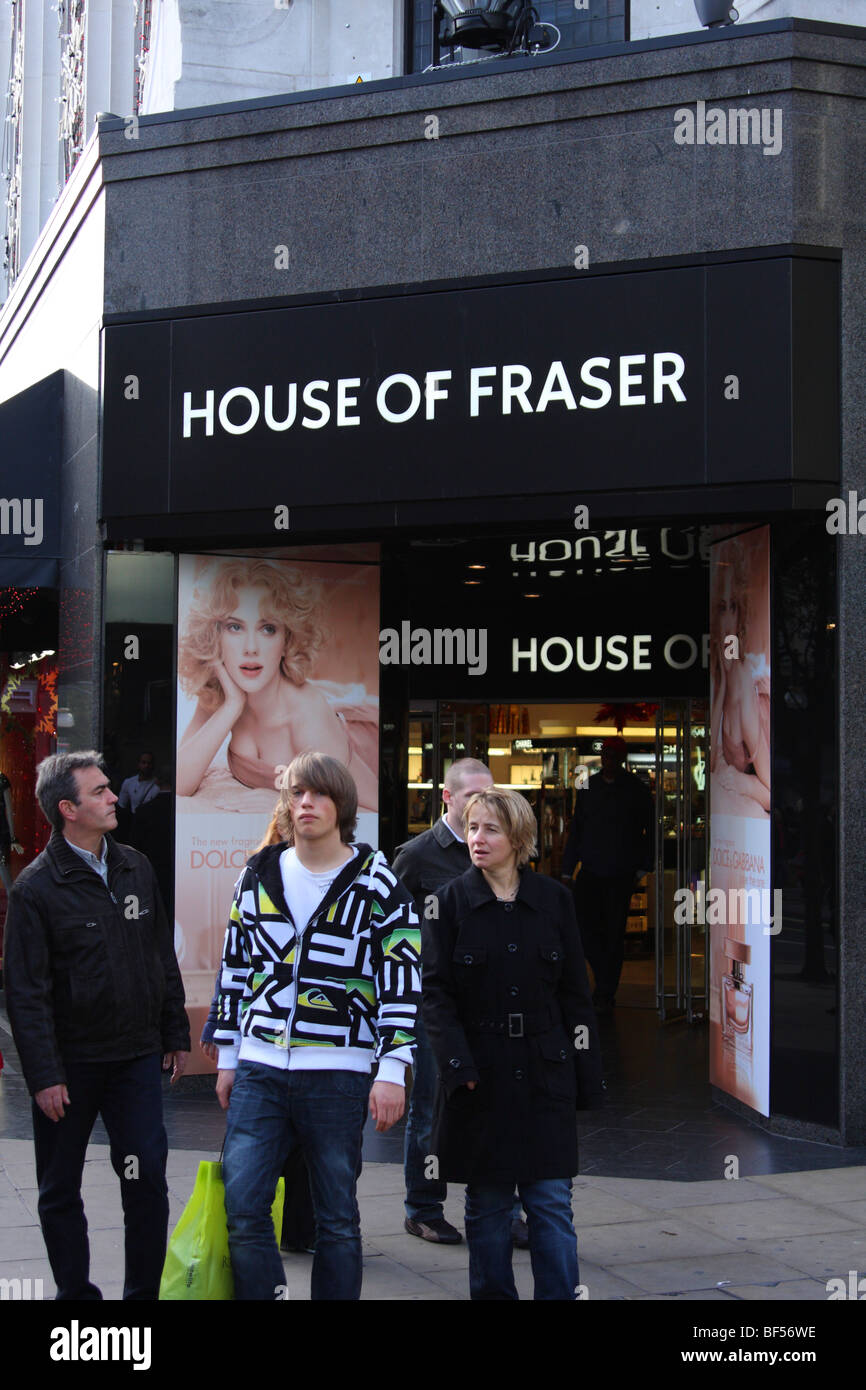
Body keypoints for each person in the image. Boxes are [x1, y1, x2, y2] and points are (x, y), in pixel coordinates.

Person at [213, 751, 420, 1300]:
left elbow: (402, 981)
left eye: (320, 793)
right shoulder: (257, 874)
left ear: (343, 805)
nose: (306, 803)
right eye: (298, 793)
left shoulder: (378, 884)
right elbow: (235, 968)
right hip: (260, 1065)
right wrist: (229, 1057)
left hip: (338, 1071)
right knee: (243, 1205)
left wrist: (393, 1069)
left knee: (336, 1217)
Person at [3, 751, 190, 1300]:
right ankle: (77, 1300)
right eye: (101, 791)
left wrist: (174, 1031)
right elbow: (26, 994)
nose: (114, 797)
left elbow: (160, 954)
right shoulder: (35, 889)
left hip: (135, 1059)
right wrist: (44, 1076)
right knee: (60, 1188)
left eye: (110, 787)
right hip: (71, 1069)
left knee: (144, 1178)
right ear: (68, 809)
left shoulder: (136, 866)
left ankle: (141, 1299)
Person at [422, 787, 603, 1300]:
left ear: (519, 838)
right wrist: (458, 1068)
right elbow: (435, 995)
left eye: (491, 829)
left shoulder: (554, 900)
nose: (477, 838)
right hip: (481, 1079)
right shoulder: (447, 903)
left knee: (551, 1203)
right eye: (472, 827)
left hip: (545, 1075)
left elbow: (575, 993)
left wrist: (586, 1076)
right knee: (488, 1206)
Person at [393, 757, 527, 1248]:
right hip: (433, 1003)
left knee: (497, 1103)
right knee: (431, 1106)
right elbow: (389, 926)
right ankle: (423, 1208)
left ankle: (500, 1209)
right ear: (447, 797)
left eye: (489, 793)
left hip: (491, 1000)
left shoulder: (501, 847)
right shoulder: (416, 856)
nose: (483, 804)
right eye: (472, 795)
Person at [176, 558, 378, 811]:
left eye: (268, 629)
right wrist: (232, 705)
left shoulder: (307, 714)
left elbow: (373, 804)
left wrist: (285, 802)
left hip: (365, 736)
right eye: (235, 627)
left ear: (287, 639)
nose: (251, 648)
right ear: (214, 635)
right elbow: (179, 782)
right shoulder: (221, 693)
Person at [560, 737, 654, 1014]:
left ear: (621, 758)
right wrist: (567, 869)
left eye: (613, 755)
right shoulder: (591, 788)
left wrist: (642, 866)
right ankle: (604, 984)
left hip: (619, 871)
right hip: (593, 870)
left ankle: (605, 990)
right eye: (606, 755)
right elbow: (577, 830)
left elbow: (650, 830)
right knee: (586, 930)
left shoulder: (635, 789)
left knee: (612, 933)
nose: (608, 759)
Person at [709, 551, 771, 813]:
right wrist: (723, 685)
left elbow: (772, 793)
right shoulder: (719, 676)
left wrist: (743, 784)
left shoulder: (745, 684)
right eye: (721, 608)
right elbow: (711, 762)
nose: (726, 622)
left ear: (739, 614)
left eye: (732, 607)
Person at [0, 769, 24, 896]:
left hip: (2, 834)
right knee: (6, 875)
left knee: (5, 873)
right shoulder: (2, 780)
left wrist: (12, 838)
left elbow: (9, 811)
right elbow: (9, 811)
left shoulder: (2, 780)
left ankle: (16, 905)